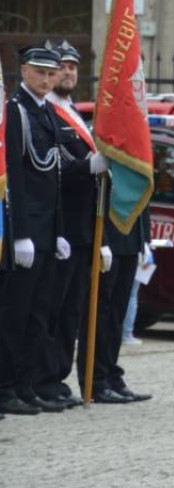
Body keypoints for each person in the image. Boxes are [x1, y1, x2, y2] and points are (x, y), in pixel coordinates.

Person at [35, 40, 111, 408]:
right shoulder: (45, 112)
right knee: (51, 308)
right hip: (60, 227)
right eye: (61, 66)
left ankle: (59, 376)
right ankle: (42, 378)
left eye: (73, 67)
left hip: (84, 229)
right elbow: (52, 169)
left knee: (72, 311)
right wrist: (87, 168)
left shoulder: (75, 112)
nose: (67, 73)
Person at [0, 43, 70, 415]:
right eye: (39, 72)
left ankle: (26, 386)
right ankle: (6, 388)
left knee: (39, 314)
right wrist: (20, 233)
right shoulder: (15, 111)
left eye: (51, 73)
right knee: (15, 314)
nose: (46, 79)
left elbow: (52, 177)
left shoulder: (46, 111)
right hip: (26, 230)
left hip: (46, 230)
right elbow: (15, 176)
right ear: (24, 71)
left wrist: (58, 232)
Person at [78, 204, 152, 404]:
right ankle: (95, 380)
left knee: (117, 315)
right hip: (108, 236)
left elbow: (142, 197)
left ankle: (111, 375)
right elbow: (99, 199)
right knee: (100, 313)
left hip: (131, 238)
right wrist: (102, 240)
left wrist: (144, 238)